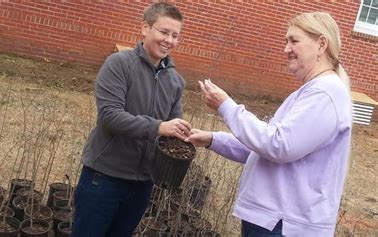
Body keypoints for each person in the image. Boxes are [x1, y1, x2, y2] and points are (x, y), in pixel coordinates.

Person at [186, 12, 352, 236]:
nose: (286, 49)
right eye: (286, 41)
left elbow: (278, 146)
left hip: (285, 225)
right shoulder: (311, 91)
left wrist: (226, 106)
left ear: (321, 44)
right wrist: (212, 139)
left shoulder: (325, 93)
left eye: (294, 40)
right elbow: (262, 148)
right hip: (274, 221)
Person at [72, 3, 191, 236]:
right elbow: (110, 116)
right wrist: (160, 127)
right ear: (145, 28)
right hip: (104, 178)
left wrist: (184, 135)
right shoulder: (119, 64)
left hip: (142, 183)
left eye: (175, 35)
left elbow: (172, 128)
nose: (169, 40)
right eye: (164, 32)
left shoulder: (176, 81)